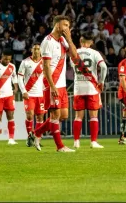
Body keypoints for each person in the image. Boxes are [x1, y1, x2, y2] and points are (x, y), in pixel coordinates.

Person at [28, 15, 85, 152]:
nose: (67, 28)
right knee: (55, 115)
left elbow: (74, 56)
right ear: (57, 25)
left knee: (63, 115)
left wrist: (70, 38)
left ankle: (36, 133)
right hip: (51, 83)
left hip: (62, 84)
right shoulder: (47, 42)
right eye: (65, 25)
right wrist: (52, 86)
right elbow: (46, 66)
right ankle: (60, 147)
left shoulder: (62, 40)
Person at [71, 32, 108, 149]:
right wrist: (101, 81)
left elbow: (73, 66)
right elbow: (103, 67)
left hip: (78, 88)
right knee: (93, 116)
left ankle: (76, 141)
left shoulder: (74, 53)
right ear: (91, 42)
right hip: (91, 88)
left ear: (81, 41)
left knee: (78, 117)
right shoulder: (95, 53)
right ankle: (93, 142)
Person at [17, 43, 45, 147]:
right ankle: (30, 136)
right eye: (35, 49)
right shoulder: (25, 62)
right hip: (29, 94)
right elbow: (19, 78)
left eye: (38, 49)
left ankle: (37, 139)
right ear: (31, 50)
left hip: (40, 94)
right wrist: (23, 91)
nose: (37, 51)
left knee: (40, 117)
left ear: (41, 51)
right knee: (29, 115)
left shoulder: (44, 62)